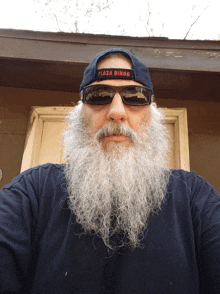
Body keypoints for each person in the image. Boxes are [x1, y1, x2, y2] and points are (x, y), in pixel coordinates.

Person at [0, 48, 220, 294]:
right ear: (79, 114)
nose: (116, 112)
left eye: (135, 97)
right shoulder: (33, 193)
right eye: (98, 95)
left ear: (153, 112)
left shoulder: (195, 199)